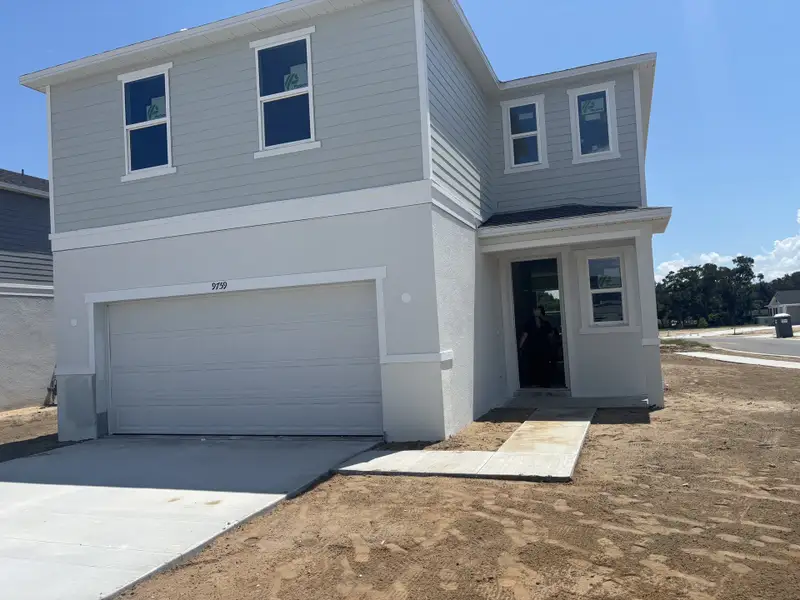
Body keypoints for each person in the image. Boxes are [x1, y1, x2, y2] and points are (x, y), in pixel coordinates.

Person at [518, 306, 555, 387]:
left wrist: (551, 344)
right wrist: (520, 346)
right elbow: (525, 334)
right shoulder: (529, 322)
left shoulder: (545, 322)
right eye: (535, 310)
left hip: (544, 347)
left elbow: (551, 334)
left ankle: (545, 382)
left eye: (538, 310)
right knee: (534, 364)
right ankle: (536, 382)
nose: (536, 312)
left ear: (541, 311)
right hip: (533, 348)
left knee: (544, 364)